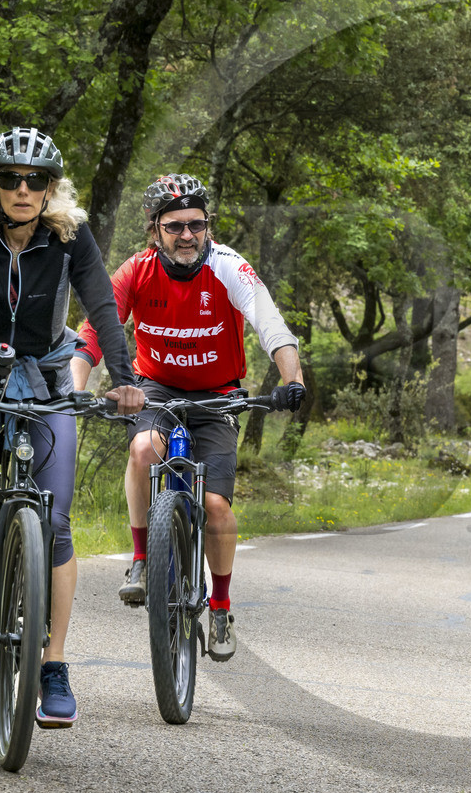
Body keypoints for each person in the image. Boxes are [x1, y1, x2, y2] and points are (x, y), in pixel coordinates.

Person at [0, 127, 145, 728]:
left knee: (57, 520)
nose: (21, 189)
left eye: (33, 180)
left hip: (48, 377)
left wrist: (123, 377)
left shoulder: (71, 238)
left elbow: (102, 307)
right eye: (9, 179)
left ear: (50, 189)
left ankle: (53, 666)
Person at [72, 173, 305, 662]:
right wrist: (74, 391)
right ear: (155, 231)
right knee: (141, 450)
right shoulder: (135, 272)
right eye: (174, 226)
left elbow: (271, 324)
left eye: (196, 225)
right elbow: (94, 330)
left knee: (216, 508)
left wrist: (292, 381)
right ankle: (140, 559)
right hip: (155, 387)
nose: (187, 235)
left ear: (208, 227)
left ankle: (219, 608)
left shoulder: (228, 267)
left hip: (218, 395)